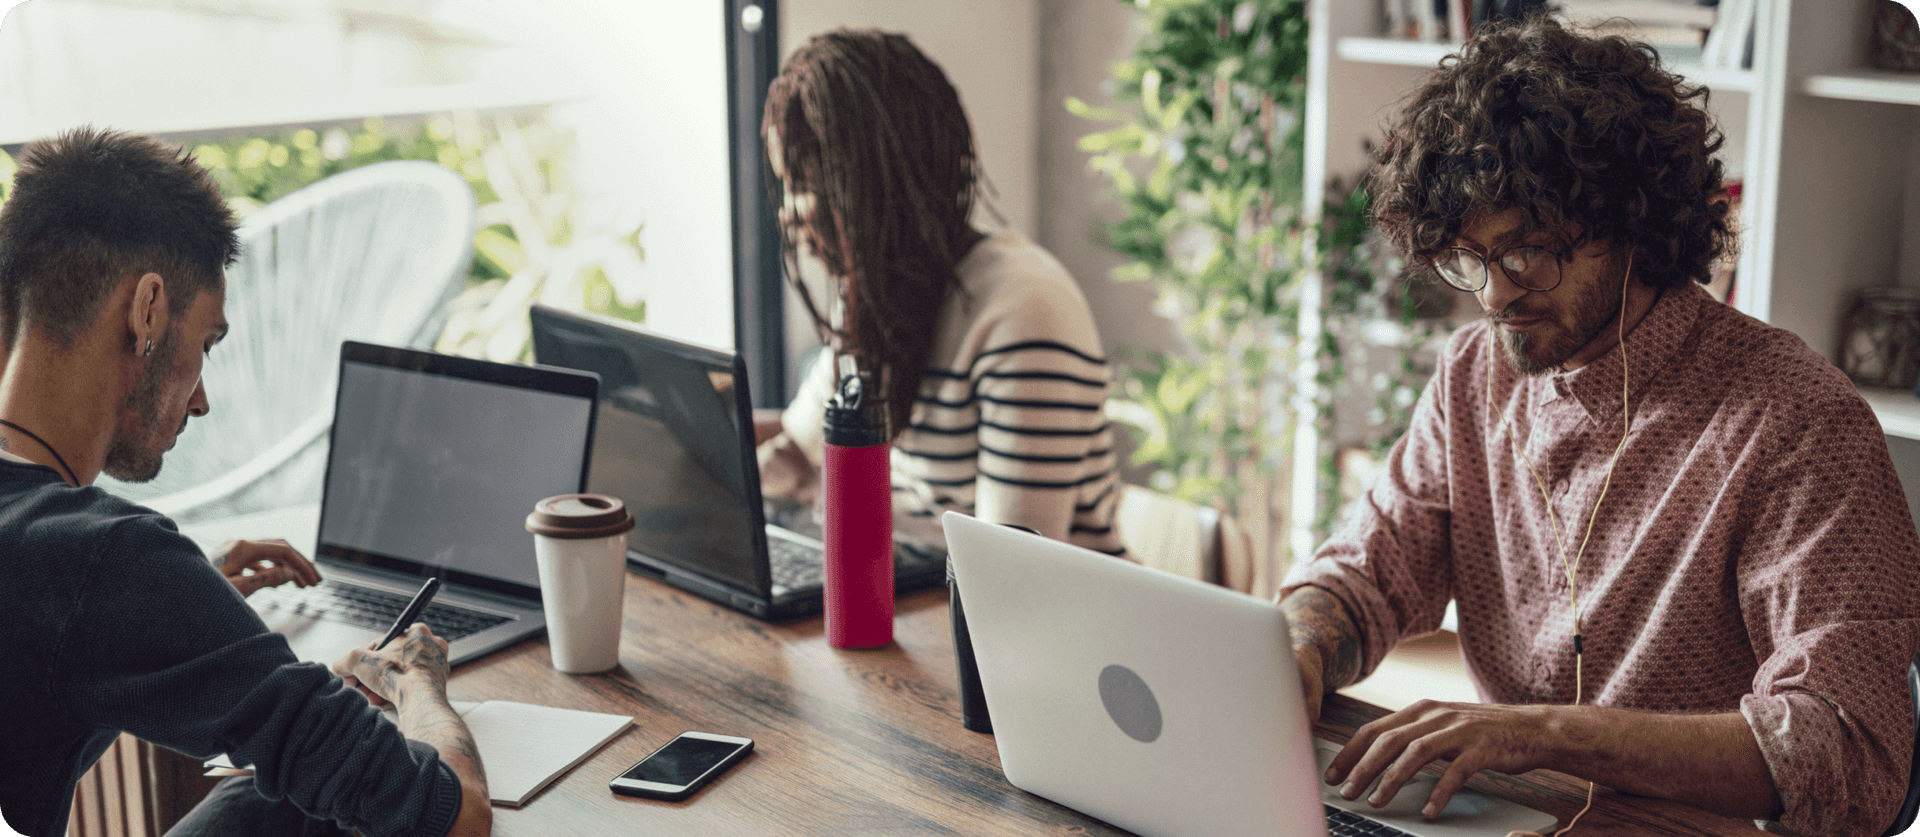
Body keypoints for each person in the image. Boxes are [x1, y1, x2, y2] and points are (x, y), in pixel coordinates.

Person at [1280, 15, 1920, 836]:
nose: (1494, 296)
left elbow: (1848, 753)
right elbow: (1368, 572)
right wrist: (1295, 651)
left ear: (1635, 222)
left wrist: (1543, 735)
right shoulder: (1474, 377)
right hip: (1509, 819)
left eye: (1527, 252)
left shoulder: (1797, 422)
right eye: (1469, 260)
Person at [0, 128, 490, 837]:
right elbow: (456, 816)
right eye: (206, 344)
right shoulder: (104, 559)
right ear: (145, 312)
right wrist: (418, 685)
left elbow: (50, 662)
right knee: (309, 807)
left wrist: (189, 612)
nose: (200, 400)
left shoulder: (69, 564)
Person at [754, 29, 1126, 557]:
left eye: (803, 184)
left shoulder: (1023, 312)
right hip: (927, 611)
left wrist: (827, 494)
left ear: (873, 184)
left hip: (1060, 631)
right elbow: (795, 447)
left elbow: (1010, 571)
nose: (788, 211)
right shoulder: (872, 301)